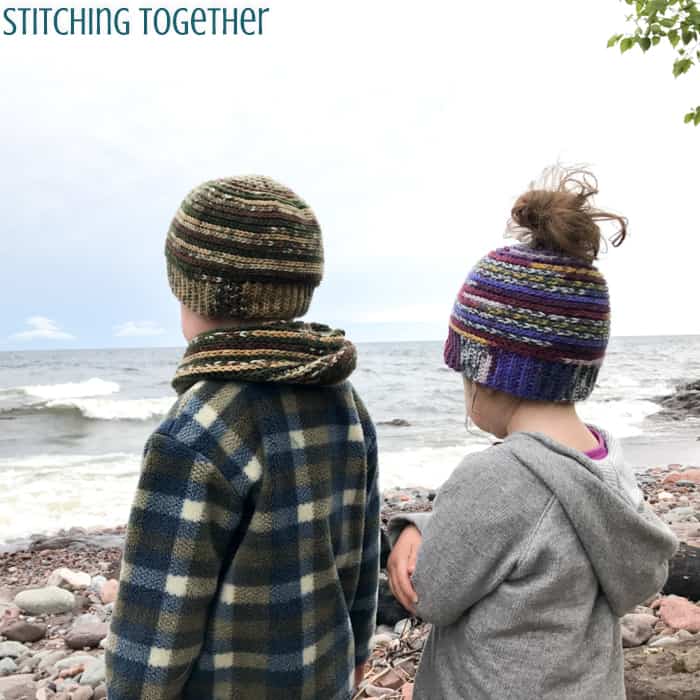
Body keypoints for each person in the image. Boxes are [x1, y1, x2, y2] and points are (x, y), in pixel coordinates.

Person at [387, 167, 678, 699]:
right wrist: (426, 521)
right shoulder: (605, 465)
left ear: (487, 369)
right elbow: (530, 528)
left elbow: (430, 592)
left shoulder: (498, 475)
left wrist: (411, 533)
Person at [104, 175, 379, 700]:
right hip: (323, 679)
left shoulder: (196, 428)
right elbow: (362, 555)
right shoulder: (344, 401)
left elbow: (159, 618)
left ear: (188, 288)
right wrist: (358, 652)